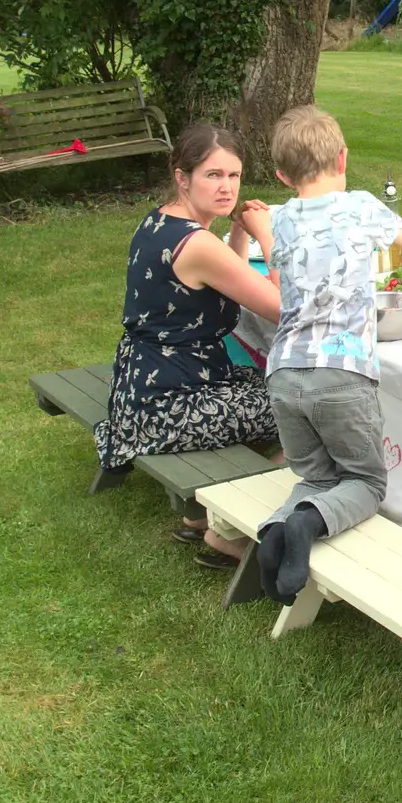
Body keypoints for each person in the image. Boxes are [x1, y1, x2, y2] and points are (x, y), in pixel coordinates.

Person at [255, 105, 402, 607]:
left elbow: (277, 268)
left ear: (282, 174)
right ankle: (305, 524)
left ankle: (277, 532)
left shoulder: (280, 219)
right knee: (365, 482)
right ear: (343, 156)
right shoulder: (362, 207)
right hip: (342, 375)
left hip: (284, 373)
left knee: (316, 477)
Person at [94, 125, 284, 570]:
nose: (227, 188)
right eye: (213, 175)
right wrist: (268, 234)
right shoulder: (196, 243)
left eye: (234, 176)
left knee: (274, 386)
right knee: (305, 407)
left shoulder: (159, 221)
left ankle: (204, 513)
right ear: (183, 178)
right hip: (170, 405)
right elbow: (284, 307)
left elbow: (226, 278)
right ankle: (231, 529)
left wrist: (238, 232)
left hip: (142, 388)